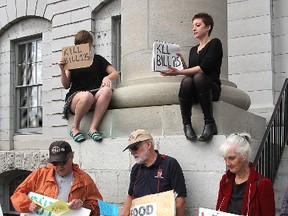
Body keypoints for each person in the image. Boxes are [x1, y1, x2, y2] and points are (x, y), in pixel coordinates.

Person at [161, 12, 223, 142]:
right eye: (193, 26)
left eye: (198, 25)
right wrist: (181, 63)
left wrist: (177, 72)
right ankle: (187, 125)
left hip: (211, 89)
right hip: (196, 91)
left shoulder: (215, 44)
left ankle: (209, 122)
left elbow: (203, 68)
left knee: (199, 77)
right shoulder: (193, 50)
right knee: (187, 80)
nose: (194, 28)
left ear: (208, 27)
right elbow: (190, 71)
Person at [10, 140, 103, 216]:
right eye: (55, 163)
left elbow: (98, 207)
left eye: (63, 162)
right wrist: (29, 205)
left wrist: (83, 206)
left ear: (72, 156)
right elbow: (17, 194)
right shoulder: (40, 174)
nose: (59, 167)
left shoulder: (84, 179)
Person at [59, 30, 120, 142]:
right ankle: (75, 128)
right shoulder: (72, 61)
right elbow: (65, 85)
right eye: (80, 45)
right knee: (87, 96)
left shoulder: (98, 59)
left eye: (86, 45)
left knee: (107, 90)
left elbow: (115, 73)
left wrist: (107, 78)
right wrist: (62, 70)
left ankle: (93, 128)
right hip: (76, 98)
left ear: (91, 45)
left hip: (94, 96)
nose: (84, 48)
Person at [120, 129, 187, 216]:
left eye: (135, 148)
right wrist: (125, 211)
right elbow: (130, 196)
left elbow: (180, 200)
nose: (133, 152)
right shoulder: (136, 169)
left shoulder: (169, 164)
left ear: (148, 144)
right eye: (130, 150)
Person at [216, 133, 275, 215]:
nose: (227, 163)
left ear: (244, 156)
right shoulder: (225, 180)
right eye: (225, 159)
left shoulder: (263, 184)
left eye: (232, 158)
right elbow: (218, 211)